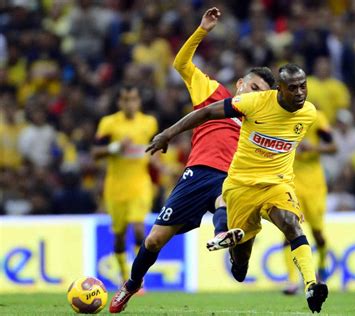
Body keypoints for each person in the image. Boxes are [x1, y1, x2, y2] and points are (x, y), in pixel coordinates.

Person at [108, 7, 276, 313]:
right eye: (253, 88)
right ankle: (132, 284)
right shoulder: (214, 93)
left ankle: (222, 237)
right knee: (154, 241)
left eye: (263, 94)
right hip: (196, 174)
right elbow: (180, 63)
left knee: (225, 199)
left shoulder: (263, 121)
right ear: (240, 84)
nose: (256, 96)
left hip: (232, 178)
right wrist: (203, 30)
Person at [145, 63, 329, 313]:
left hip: (277, 184)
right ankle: (234, 247)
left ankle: (311, 285)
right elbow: (207, 112)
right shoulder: (254, 103)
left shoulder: (308, 113)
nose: (299, 93)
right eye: (293, 88)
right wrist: (168, 133)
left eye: (303, 87)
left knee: (290, 223)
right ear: (280, 90)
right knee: (240, 269)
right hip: (241, 187)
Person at [92, 84, 158, 285]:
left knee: (139, 229)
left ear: (139, 101)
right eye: (126, 99)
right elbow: (95, 153)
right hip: (115, 187)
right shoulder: (109, 123)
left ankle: (137, 279)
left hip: (140, 184)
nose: (130, 103)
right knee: (119, 235)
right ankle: (123, 275)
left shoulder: (149, 123)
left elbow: (153, 149)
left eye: (134, 99)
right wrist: (115, 147)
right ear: (120, 102)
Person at [282, 110, 337, 295]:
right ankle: (291, 281)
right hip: (292, 183)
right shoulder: (281, 118)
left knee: (318, 234)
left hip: (314, 185)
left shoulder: (316, 118)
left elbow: (334, 147)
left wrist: (312, 148)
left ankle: (322, 268)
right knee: (288, 230)